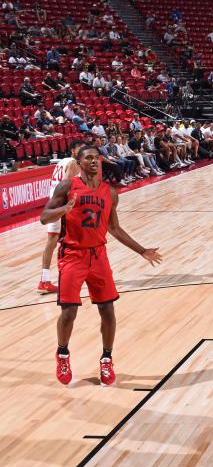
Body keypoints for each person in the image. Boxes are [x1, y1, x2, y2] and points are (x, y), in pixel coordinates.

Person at [40, 146, 162, 386]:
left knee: (108, 310)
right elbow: (44, 217)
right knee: (69, 312)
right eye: (89, 158)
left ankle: (107, 359)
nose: (94, 161)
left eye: (97, 157)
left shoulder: (110, 192)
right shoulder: (67, 186)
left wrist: (141, 250)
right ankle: (62, 354)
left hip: (98, 256)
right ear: (79, 162)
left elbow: (114, 228)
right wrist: (64, 209)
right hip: (72, 255)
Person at [38, 140, 86, 294]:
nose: (82, 151)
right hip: (62, 207)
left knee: (52, 242)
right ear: (72, 150)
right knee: (75, 240)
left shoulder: (61, 161)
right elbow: (66, 184)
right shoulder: (73, 163)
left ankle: (44, 280)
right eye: (80, 149)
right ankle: (71, 275)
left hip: (53, 205)